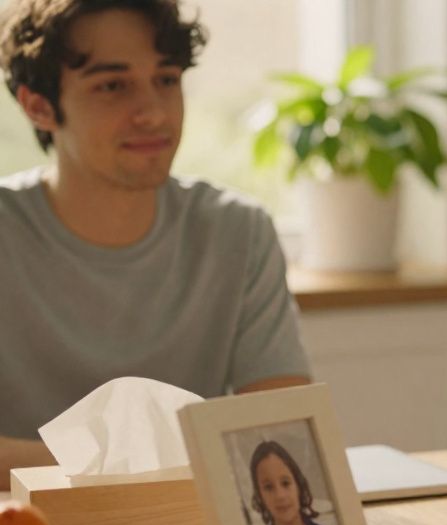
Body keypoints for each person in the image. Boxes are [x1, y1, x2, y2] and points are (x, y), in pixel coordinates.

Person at [0, 0, 311, 489]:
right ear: (38, 105)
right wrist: (135, 474)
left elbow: (279, 434)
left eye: (166, 79)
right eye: (112, 85)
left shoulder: (238, 232)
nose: (152, 113)